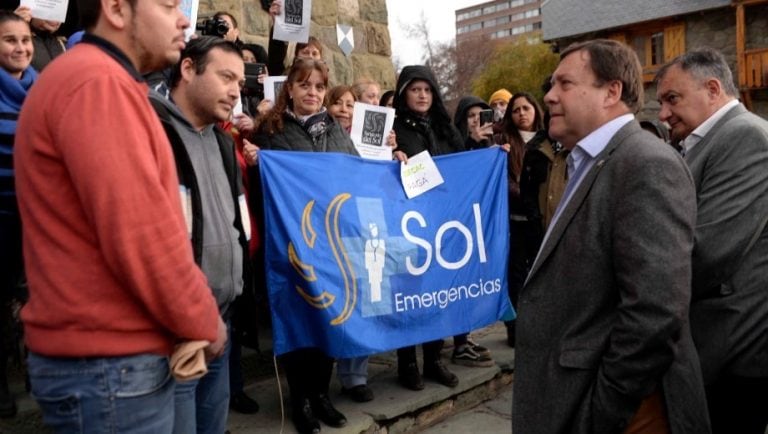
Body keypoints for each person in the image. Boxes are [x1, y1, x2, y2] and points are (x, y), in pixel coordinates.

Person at [13, 0, 226, 431]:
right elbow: (143, 235)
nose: (183, 18)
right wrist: (204, 318)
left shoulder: (104, 81)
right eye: (168, 5)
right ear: (115, 9)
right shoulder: (97, 84)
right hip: (111, 368)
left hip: (114, 365)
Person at [513, 39, 710, 433]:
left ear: (611, 91)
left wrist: (601, 413)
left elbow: (655, 311)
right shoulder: (586, 161)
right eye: (552, 85)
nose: (549, 96)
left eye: (565, 84)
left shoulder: (645, 163)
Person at [655, 47, 768, 434]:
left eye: (673, 99)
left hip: (734, 353)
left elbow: (707, 251)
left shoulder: (747, 137)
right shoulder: (706, 141)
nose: (663, 114)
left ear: (713, 89)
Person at [149, 36, 249, 434]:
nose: (235, 91)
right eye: (226, 77)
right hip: (174, 332)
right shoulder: (152, 134)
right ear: (188, 69)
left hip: (221, 321)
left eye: (240, 83)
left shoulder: (225, 143)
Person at [249, 58, 354, 434]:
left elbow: (355, 176)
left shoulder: (337, 131)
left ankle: (321, 394)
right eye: (305, 85)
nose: (313, 93)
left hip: (331, 245)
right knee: (298, 320)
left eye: (320, 87)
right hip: (292, 245)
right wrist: (259, 166)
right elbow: (258, 190)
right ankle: (301, 398)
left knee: (329, 319)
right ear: (289, 88)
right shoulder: (270, 130)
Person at [391, 65, 463, 391]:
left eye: (427, 90)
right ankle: (407, 363)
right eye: (415, 89)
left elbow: (465, 167)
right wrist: (390, 154)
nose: (422, 95)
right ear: (404, 93)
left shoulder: (446, 130)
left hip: (444, 223)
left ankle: (434, 359)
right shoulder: (392, 129)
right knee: (410, 296)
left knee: (439, 295)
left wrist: (492, 154)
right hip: (408, 225)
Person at [0, 10, 35, 419]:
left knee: (30, 299)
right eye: (10, 40)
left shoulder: (43, 89)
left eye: (24, 40)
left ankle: (36, 374)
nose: (21, 48)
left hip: (33, 221)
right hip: (1, 216)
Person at [500, 92, 545, 348]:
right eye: (515, 110)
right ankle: (514, 327)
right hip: (515, 220)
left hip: (540, 221)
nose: (521, 113)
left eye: (526, 108)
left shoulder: (547, 141)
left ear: (535, 110)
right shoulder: (505, 143)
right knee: (515, 277)